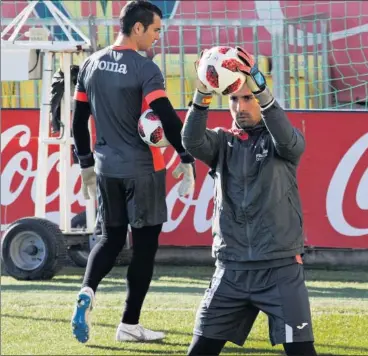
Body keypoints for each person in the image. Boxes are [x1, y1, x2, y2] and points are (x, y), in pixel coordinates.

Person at [70, 0, 195, 344]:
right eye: (155, 30)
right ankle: (129, 324)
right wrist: (185, 156)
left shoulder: (90, 64)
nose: (157, 37)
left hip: (107, 169)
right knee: (144, 248)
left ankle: (87, 291)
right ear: (137, 28)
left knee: (109, 239)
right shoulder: (145, 69)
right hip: (144, 170)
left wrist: (85, 166)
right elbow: (166, 117)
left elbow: (78, 123)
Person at [182, 47, 317, 356]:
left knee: (302, 352)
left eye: (247, 98)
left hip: (280, 268)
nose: (240, 106)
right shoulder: (221, 142)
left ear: (259, 99)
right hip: (232, 269)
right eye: (233, 99)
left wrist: (260, 85)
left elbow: (285, 138)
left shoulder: (283, 141)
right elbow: (191, 141)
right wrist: (203, 92)